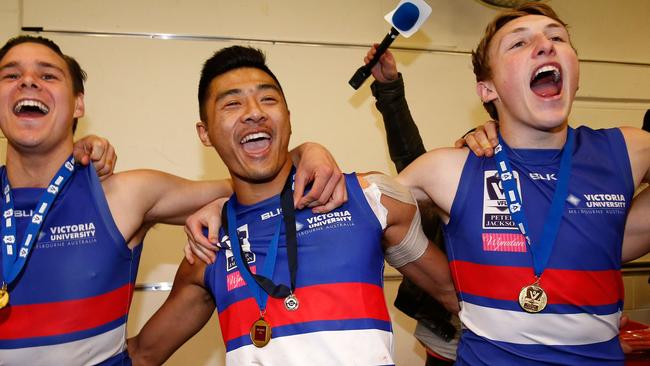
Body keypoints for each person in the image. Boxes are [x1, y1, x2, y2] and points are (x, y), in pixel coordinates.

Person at [0, 35, 345, 365]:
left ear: (79, 103)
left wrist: (307, 152)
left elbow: (254, 179)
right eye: (11, 74)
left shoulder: (125, 195)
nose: (28, 82)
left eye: (47, 74)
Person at [127, 45, 459, 366]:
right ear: (206, 133)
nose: (254, 112)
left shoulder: (369, 200)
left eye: (267, 99)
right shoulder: (208, 248)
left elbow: (461, 301)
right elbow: (142, 355)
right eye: (231, 104)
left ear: (287, 117)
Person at [393, 3, 650, 364]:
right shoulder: (447, 168)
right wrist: (307, 153)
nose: (546, 45)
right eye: (518, 44)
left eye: (557, 37)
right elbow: (365, 211)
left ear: (577, 72)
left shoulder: (628, 150)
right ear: (487, 90)